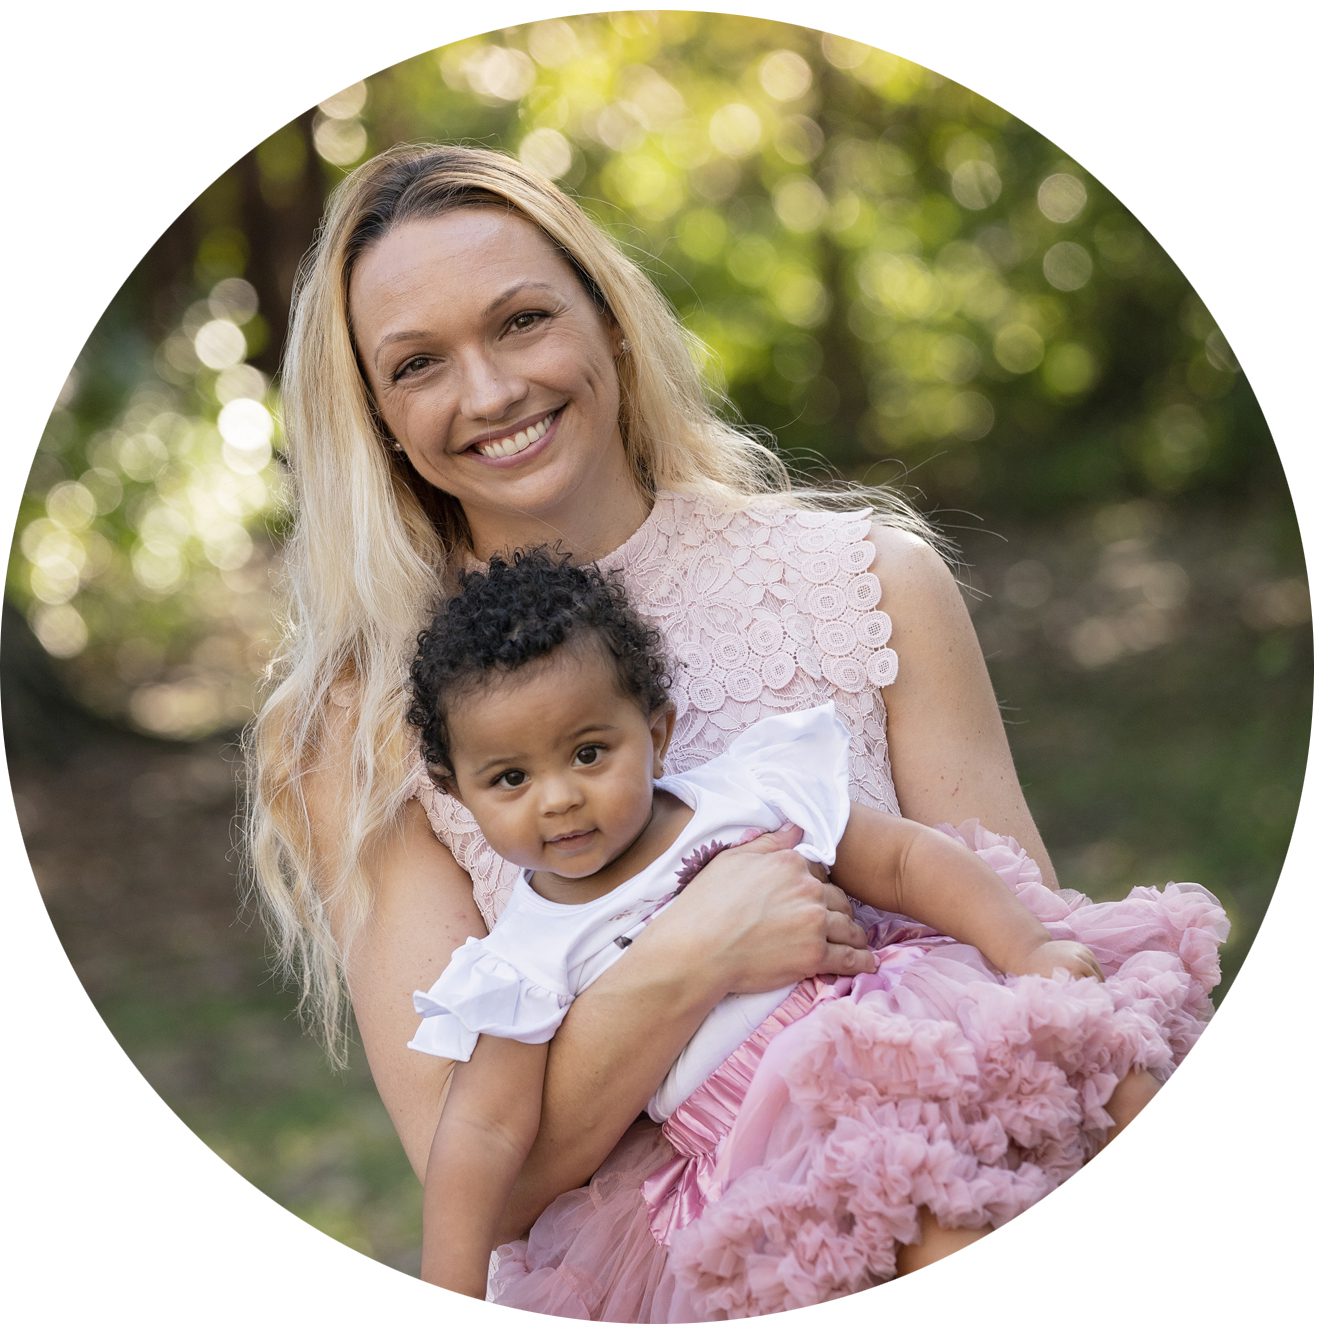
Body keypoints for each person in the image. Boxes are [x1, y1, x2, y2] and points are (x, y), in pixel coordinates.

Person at [244, 142, 1225, 1319]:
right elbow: (484, 1179)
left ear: (609, 323)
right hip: (684, 1258)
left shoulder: (869, 581)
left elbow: (1029, 968)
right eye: (417, 364)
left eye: (521, 320)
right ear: (377, 417)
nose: (490, 391)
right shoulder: (358, 729)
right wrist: (692, 953)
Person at [401, 548, 1222, 1317]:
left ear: (654, 733)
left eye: (588, 754)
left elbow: (900, 861)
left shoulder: (744, 794)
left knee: (1117, 1085)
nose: (558, 798)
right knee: (935, 1233)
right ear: (457, 790)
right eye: (511, 778)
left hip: (903, 1025)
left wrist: (1026, 947)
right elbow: (482, 1132)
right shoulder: (520, 963)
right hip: (777, 1141)